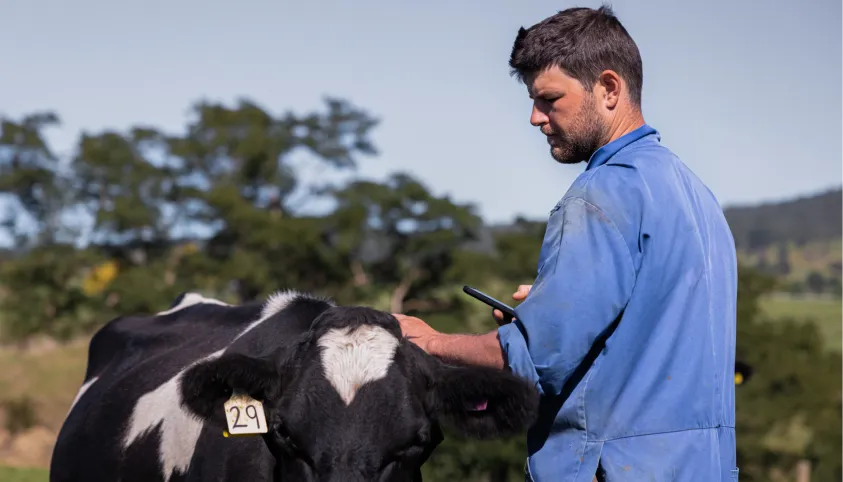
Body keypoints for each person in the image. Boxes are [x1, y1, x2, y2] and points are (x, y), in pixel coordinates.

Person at [393, 5, 740, 482]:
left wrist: (426, 340)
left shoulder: (602, 193)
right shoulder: (695, 193)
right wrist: (548, 310)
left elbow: (536, 360)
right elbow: (646, 334)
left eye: (550, 99)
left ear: (609, 88)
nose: (536, 117)